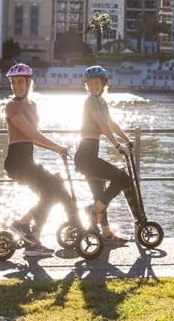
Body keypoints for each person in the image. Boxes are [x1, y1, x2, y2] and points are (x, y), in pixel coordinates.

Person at [2, 62, 77, 255]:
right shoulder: (11, 107)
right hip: (17, 162)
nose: (16, 86)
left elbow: (33, 137)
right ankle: (21, 223)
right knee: (54, 187)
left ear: (29, 83)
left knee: (53, 191)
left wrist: (56, 150)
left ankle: (33, 241)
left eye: (20, 82)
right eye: (13, 82)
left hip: (27, 160)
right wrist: (58, 146)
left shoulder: (33, 105)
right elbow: (31, 134)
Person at [74, 65, 140, 243]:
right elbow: (102, 126)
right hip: (86, 155)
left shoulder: (102, 102)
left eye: (97, 82)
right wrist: (117, 145)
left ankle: (107, 234)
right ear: (86, 85)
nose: (94, 86)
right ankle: (92, 210)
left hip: (90, 154)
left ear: (104, 84)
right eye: (90, 83)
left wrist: (127, 139)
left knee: (100, 195)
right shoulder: (90, 102)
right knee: (122, 178)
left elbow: (111, 123)